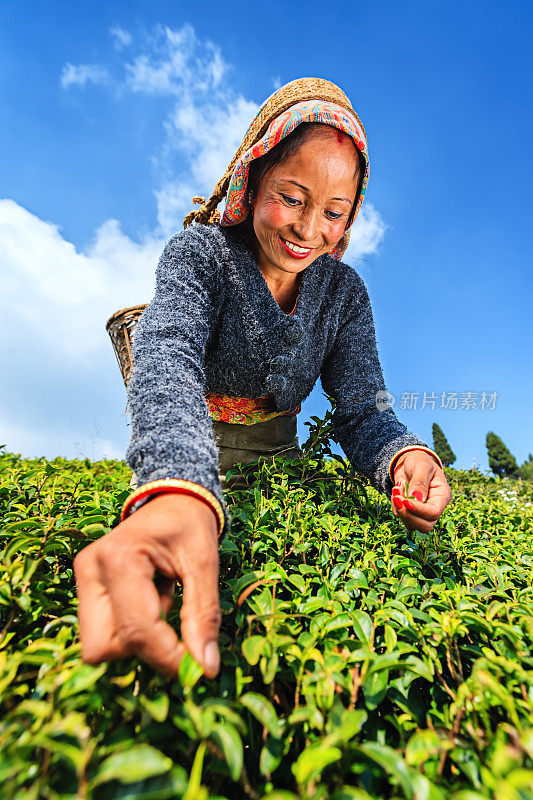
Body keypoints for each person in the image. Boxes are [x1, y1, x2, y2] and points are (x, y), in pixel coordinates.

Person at [73, 77, 452, 681]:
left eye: (334, 211)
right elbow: (167, 356)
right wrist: (176, 486)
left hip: (277, 454)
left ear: (350, 216)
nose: (308, 228)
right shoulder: (201, 256)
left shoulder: (344, 296)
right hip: (192, 446)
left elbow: (363, 408)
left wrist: (403, 456)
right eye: (291, 197)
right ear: (251, 183)